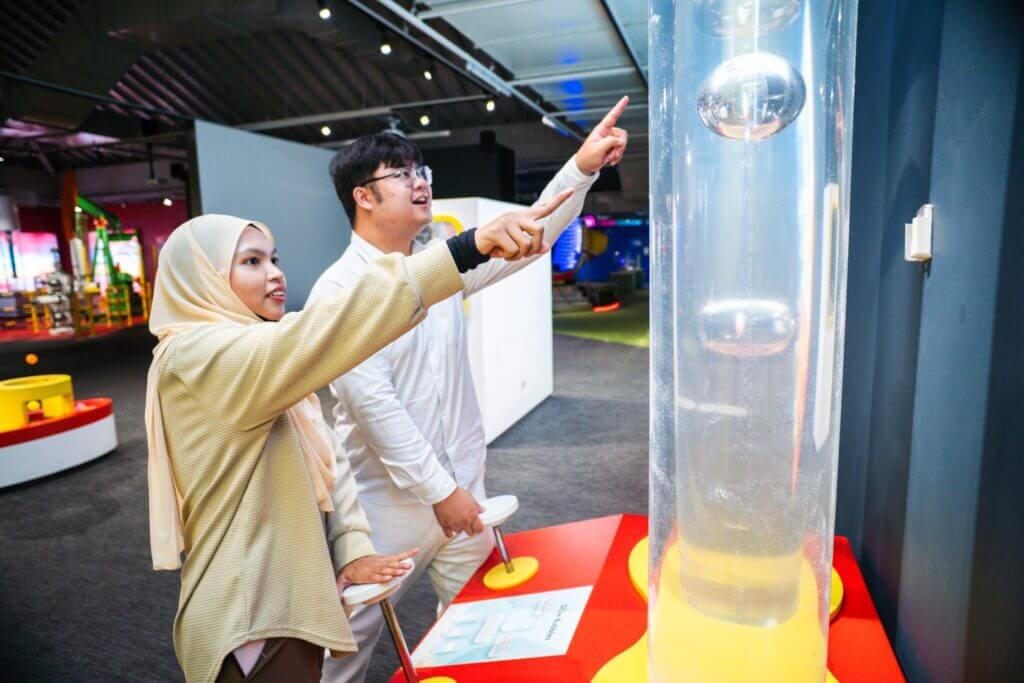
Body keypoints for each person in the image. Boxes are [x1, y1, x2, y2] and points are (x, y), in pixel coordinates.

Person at [145, 210, 564, 682]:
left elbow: (326, 456)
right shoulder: (195, 356)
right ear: (202, 278)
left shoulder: (255, 355)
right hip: (251, 620)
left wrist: (352, 547)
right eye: (252, 261)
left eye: (274, 258)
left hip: (286, 601)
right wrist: (462, 250)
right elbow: (330, 329)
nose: (276, 272)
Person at [310, 96, 630, 683]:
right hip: (385, 508)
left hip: (464, 490)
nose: (420, 183)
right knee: (347, 647)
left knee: (478, 632)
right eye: (401, 174)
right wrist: (440, 491)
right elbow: (372, 404)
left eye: (421, 171)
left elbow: (529, 238)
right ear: (363, 196)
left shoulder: (436, 265)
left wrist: (582, 168)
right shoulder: (340, 289)